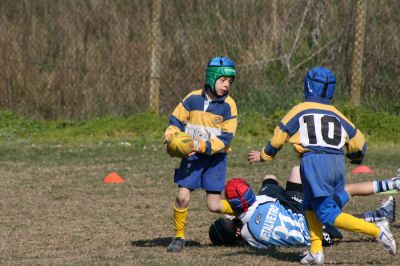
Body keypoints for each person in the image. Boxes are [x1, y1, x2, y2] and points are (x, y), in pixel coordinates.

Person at [247, 67, 397, 264]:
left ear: (308, 87)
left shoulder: (300, 109)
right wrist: (355, 159)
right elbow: (359, 142)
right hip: (336, 162)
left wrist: (265, 156)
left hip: (314, 162)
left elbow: (279, 134)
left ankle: (378, 231)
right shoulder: (336, 113)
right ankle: (315, 251)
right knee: (308, 204)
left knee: (326, 213)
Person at [209, 166, 399, 249]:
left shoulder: (250, 239)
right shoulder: (262, 200)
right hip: (313, 226)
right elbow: (271, 181)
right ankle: (392, 184)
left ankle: (379, 215)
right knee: (346, 191)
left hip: (320, 238)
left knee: (331, 214)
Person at [164, 56, 238, 252]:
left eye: (230, 82)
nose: (226, 85)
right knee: (182, 197)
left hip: (215, 160)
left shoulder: (229, 105)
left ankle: (241, 210)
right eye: (223, 80)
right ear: (212, 78)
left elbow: (226, 138)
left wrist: (201, 145)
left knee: (213, 206)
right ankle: (179, 237)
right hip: (192, 157)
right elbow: (175, 120)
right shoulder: (192, 98)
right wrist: (171, 137)